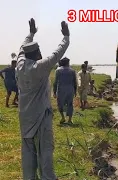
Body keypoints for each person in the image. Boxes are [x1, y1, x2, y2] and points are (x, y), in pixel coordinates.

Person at [15, 18, 70, 180]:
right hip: (41, 118)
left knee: (28, 153)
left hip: (25, 117)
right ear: (38, 53)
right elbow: (57, 53)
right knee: (45, 152)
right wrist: (66, 37)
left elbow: (21, 47)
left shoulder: (20, 64)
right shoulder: (40, 66)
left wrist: (31, 33)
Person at [53, 57, 77, 124]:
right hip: (70, 90)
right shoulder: (72, 71)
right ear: (67, 63)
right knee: (70, 104)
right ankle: (69, 119)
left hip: (61, 90)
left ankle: (63, 117)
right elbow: (75, 82)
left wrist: (54, 92)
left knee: (60, 104)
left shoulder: (58, 70)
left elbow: (55, 82)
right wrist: (75, 91)